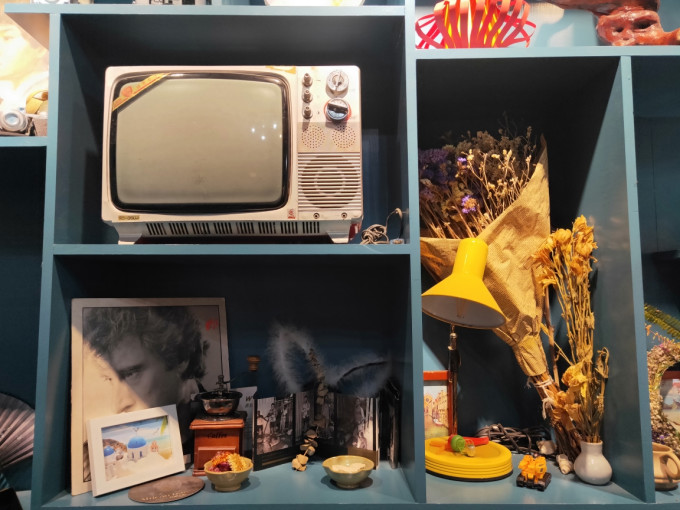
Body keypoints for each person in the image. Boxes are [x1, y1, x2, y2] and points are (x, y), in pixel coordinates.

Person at [82, 306, 210, 466]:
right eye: (109, 379)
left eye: (131, 373)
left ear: (180, 359)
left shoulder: (220, 431)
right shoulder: (98, 453)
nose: (119, 405)